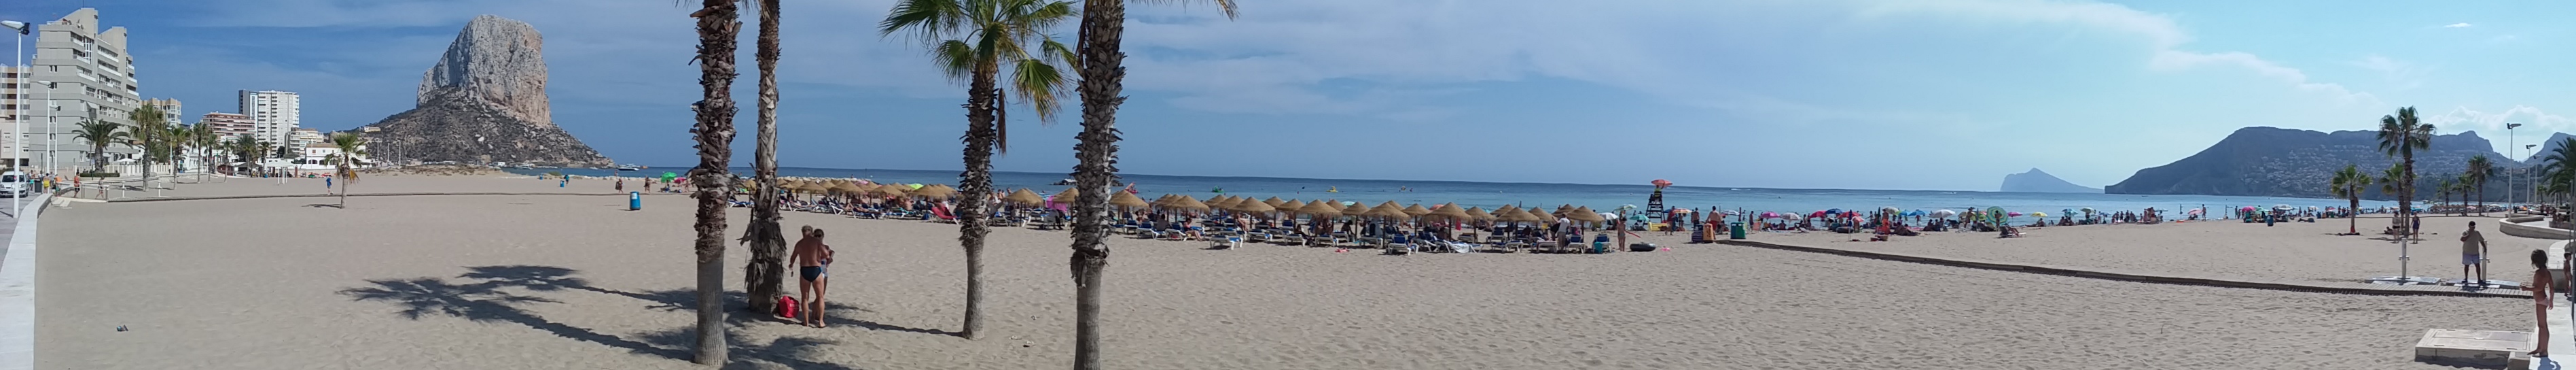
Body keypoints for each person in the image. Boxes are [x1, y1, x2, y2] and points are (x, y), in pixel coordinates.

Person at [788, 226, 836, 328]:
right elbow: (826, 254)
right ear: (811, 232)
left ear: (802, 232)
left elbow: (792, 258)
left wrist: (791, 265)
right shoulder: (816, 242)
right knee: (820, 297)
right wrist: (824, 257)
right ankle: (821, 322)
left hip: (804, 270)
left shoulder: (799, 243)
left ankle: (806, 322)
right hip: (816, 269)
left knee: (805, 298)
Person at [2530, 249, 2555, 358]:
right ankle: (2540, 348)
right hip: (2543, 299)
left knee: (2543, 326)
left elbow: (2539, 288)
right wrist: (2551, 300)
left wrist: (2526, 288)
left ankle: (2544, 350)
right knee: (2542, 325)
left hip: (2540, 300)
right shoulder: (2547, 272)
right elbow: (2552, 288)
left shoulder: (2540, 273)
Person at [2463, 222, 2490, 288]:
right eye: (2471, 226)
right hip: (2467, 252)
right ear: (2469, 226)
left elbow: (2481, 240)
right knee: (2467, 266)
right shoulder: (2466, 232)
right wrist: (2469, 235)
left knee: (2477, 266)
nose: (2473, 227)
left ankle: (2479, 279)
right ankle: (2466, 278)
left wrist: (2485, 248)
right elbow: (2462, 239)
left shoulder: (2477, 233)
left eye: (2474, 226)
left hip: (2475, 252)